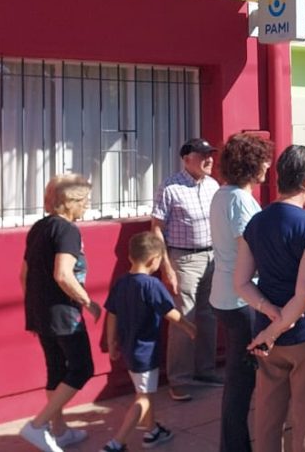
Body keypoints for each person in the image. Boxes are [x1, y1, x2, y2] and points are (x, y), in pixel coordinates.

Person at [235, 145, 305, 452]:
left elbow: (241, 283)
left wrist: (270, 317)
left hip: (268, 334)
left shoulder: (256, 223)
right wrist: (276, 326)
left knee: (267, 418)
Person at [19, 174, 101, 452]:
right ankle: (38, 425)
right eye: (85, 200)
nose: (87, 206)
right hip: (64, 313)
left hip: (40, 310)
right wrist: (88, 302)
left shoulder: (39, 228)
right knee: (82, 367)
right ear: (70, 202)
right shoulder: (67, 230)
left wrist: (35, 304)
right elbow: (63, 275)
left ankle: (59, 430)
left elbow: (24, 275)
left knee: (56, 369)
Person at [101, 233, 198, 452]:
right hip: (146, 351)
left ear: (129, 255)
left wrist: (111, 341)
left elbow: (112, 314)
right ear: (154, 260)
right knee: (143, 397)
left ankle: (152, 430)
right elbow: (170, 313)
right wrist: (188, 327)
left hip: (129, 348)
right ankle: (117, 443)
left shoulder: (121, 283)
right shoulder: (152, 285)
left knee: (145, 390)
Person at [209, 133, 273, 451]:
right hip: (241, 298)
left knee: (238, 377)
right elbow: (249, 247)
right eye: (263, 160)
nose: (267, 166)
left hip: (226, 295)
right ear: (250, 164)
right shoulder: (238, 199)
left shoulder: (223, 194)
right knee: (241, 381)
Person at [150, 138, 221, 401]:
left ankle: (206, 370)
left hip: (212, 257)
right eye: (203, 155)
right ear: (187, 158)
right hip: (183, 259)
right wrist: (166, 266)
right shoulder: (170, 187)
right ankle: (179, 379)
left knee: (209, 315)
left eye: (210, 154)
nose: (209, 159)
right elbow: (156, 228)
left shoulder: (213, 185)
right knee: (183, 318)